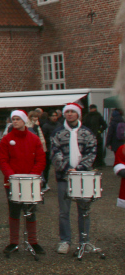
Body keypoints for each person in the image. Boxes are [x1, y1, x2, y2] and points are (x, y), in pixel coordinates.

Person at [0, 110, 47, 254]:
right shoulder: (6, 140)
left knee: (31, 211)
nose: (15, 121)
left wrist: (31, 177)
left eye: (18, 119)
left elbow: (40, 159)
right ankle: (13, 242)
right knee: (14, 211)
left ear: (24, 121)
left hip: (30, 182)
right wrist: (12, 177)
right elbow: (3, 160)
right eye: (13, 119)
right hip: (12, 182)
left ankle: (33, 241)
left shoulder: (34, 139)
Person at [51, 102, 97, 254]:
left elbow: (91, 152)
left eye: (73, 111)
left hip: (82, 176)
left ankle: (84, 240)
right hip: (64, 176)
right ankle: (65, 240)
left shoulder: (87, 133)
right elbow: (55, 152)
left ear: (78, 114)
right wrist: (66, 168)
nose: (70, 114)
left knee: (84, 210)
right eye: (67, 111)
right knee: (64, 211)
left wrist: (79, 168)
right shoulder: (57, 133)